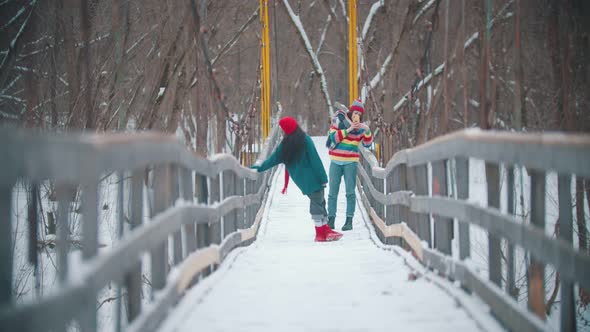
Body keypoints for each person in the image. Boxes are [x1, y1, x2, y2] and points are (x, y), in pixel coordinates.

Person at [251, 116, 343, 242]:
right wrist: (323, 177)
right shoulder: (305, 140)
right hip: (314, 177)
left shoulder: (284, 146)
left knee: (319, 201)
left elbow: (271, 160)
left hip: (302, 181)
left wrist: (258, 167)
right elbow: (315, 160)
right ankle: (320, 233)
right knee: (318, 202)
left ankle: (325, 229)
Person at [326, 98, 373, 231]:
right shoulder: (339, 120)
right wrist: (349, 129)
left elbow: (368, 145)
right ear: (351, 113)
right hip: (335, 161)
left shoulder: (361, 129)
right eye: (355, 113)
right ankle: (331, 220)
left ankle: (349, 221)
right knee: (332, 192)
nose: (356, 116)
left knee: (350, 192)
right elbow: (333, 138)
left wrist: (367, 130)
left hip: (350, 163)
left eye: (359, 114)